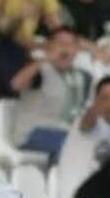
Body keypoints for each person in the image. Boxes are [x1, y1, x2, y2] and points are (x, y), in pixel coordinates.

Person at [9, 25, 92, 162]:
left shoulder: (76, 76)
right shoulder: (41, 69)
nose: (65, 49)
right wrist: (45, 59)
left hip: (60, 131)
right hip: (31, 133)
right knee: (72, 144)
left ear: (76, 50)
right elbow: (15, 84)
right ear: (49, 46)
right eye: (60, 43)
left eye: (70, 44)